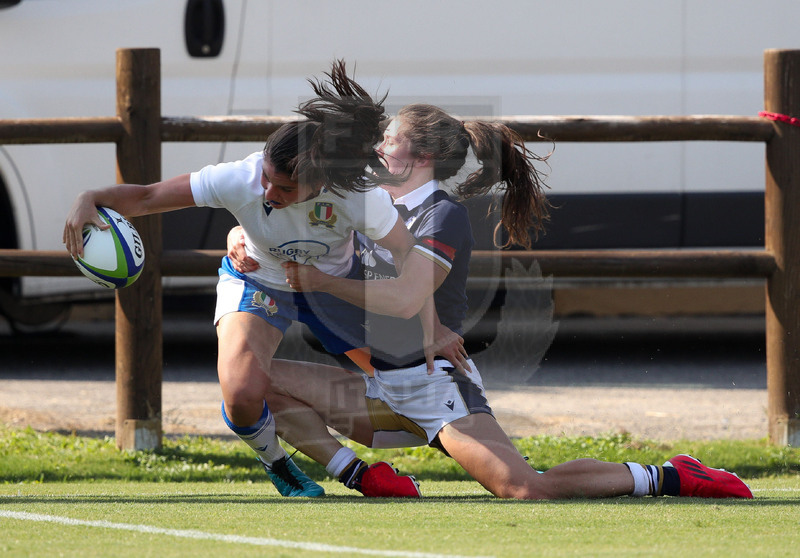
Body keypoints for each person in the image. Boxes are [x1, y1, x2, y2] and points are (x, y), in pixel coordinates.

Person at [229, 103, 753, 500]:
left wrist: (320, 282)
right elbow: (282, 211)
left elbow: (405, 297)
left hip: (431, 385)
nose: (378, 148)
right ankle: (360, 475)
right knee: (250, 383)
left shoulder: (441, 215)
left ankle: (668, 475)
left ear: (422, 158)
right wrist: (240, 236)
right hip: (378, 388)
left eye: (389, 140)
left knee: (524, 487)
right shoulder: (367, 199)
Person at [63, 61, 435, 499]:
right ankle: (313, 469)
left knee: (426, 394)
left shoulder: (358, 197)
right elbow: (147, 197)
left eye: (284, 189)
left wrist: (435, 326)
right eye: (266, 178)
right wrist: (90, 197)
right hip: (261, 282)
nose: (268, 194)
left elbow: (410, 254)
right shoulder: (240, 179)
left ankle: (475, 450)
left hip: (336, 291)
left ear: (319, 182)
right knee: (241, 393)